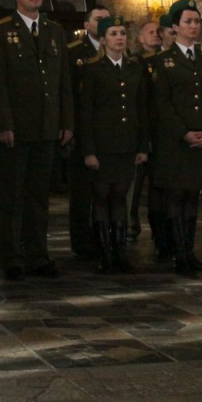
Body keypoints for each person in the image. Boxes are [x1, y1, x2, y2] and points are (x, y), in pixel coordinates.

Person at [0, 0, 73, 280]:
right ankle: (11, 257)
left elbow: (63, 81)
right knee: (12, 196)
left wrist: (66, 122)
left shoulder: (53, 30)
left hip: (46, 126)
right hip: (16, 128)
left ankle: (37, 255)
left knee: (38, 196)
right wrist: (3, 124)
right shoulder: (1, 31)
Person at [149, 0, 202, 275]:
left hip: (200, 141)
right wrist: (184, 133)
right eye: (188, 22)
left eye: (197, 21)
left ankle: (189, 251)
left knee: (192, 196)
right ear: (175, 27)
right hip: (175, 142)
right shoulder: (163, 61)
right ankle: (177, 252)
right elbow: (161, 104)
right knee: (176, 196)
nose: (194, 26)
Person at [79, 16, 148, 273]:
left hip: (126, 144)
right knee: (102, 196)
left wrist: (142, 146)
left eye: (122, 33)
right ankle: (105, 253)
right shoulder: (93, 69)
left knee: (120, 197)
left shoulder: (134, 68)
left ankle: (120, 252)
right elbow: (85, 113)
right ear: (103, 39)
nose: (119, 38)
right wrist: (89, 150)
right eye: (113, 34)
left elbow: (141, 110)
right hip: (102, 145)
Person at [67, 4, 109, 259]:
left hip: (107, 133)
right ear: (86, 25)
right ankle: (82, 241)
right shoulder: (74, 52)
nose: (103, 23)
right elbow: (69, 93)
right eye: (98, 19)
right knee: (82, 192)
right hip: (82, 131)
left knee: (105, 190)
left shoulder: (116, 50)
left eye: (106, 19)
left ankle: (104, 237)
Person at [128, 19, 162, 243]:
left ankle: (159, 228)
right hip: (141, 128)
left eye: (158, 31)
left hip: (160, 131)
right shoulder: (135, 62)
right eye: (150, 32)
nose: (155, 34)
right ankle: (130, 225)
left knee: (158, 185)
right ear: (140, 38)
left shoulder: (165, 60)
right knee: (135, 184)